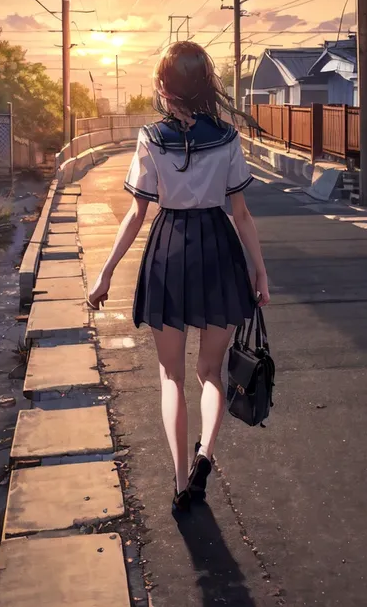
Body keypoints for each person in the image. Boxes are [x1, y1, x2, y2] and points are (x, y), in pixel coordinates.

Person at [88, 41, 269, 514]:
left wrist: (105, 273)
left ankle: (179, 481)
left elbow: (135, 213)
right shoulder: (227, 138)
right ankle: (205, 454)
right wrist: (260, 272)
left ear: (165, 89)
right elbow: (242, 214)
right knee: (211, 372)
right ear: (204, 84)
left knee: (171, 375)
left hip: (169, 250)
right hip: (219, 250)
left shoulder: (150, 137)